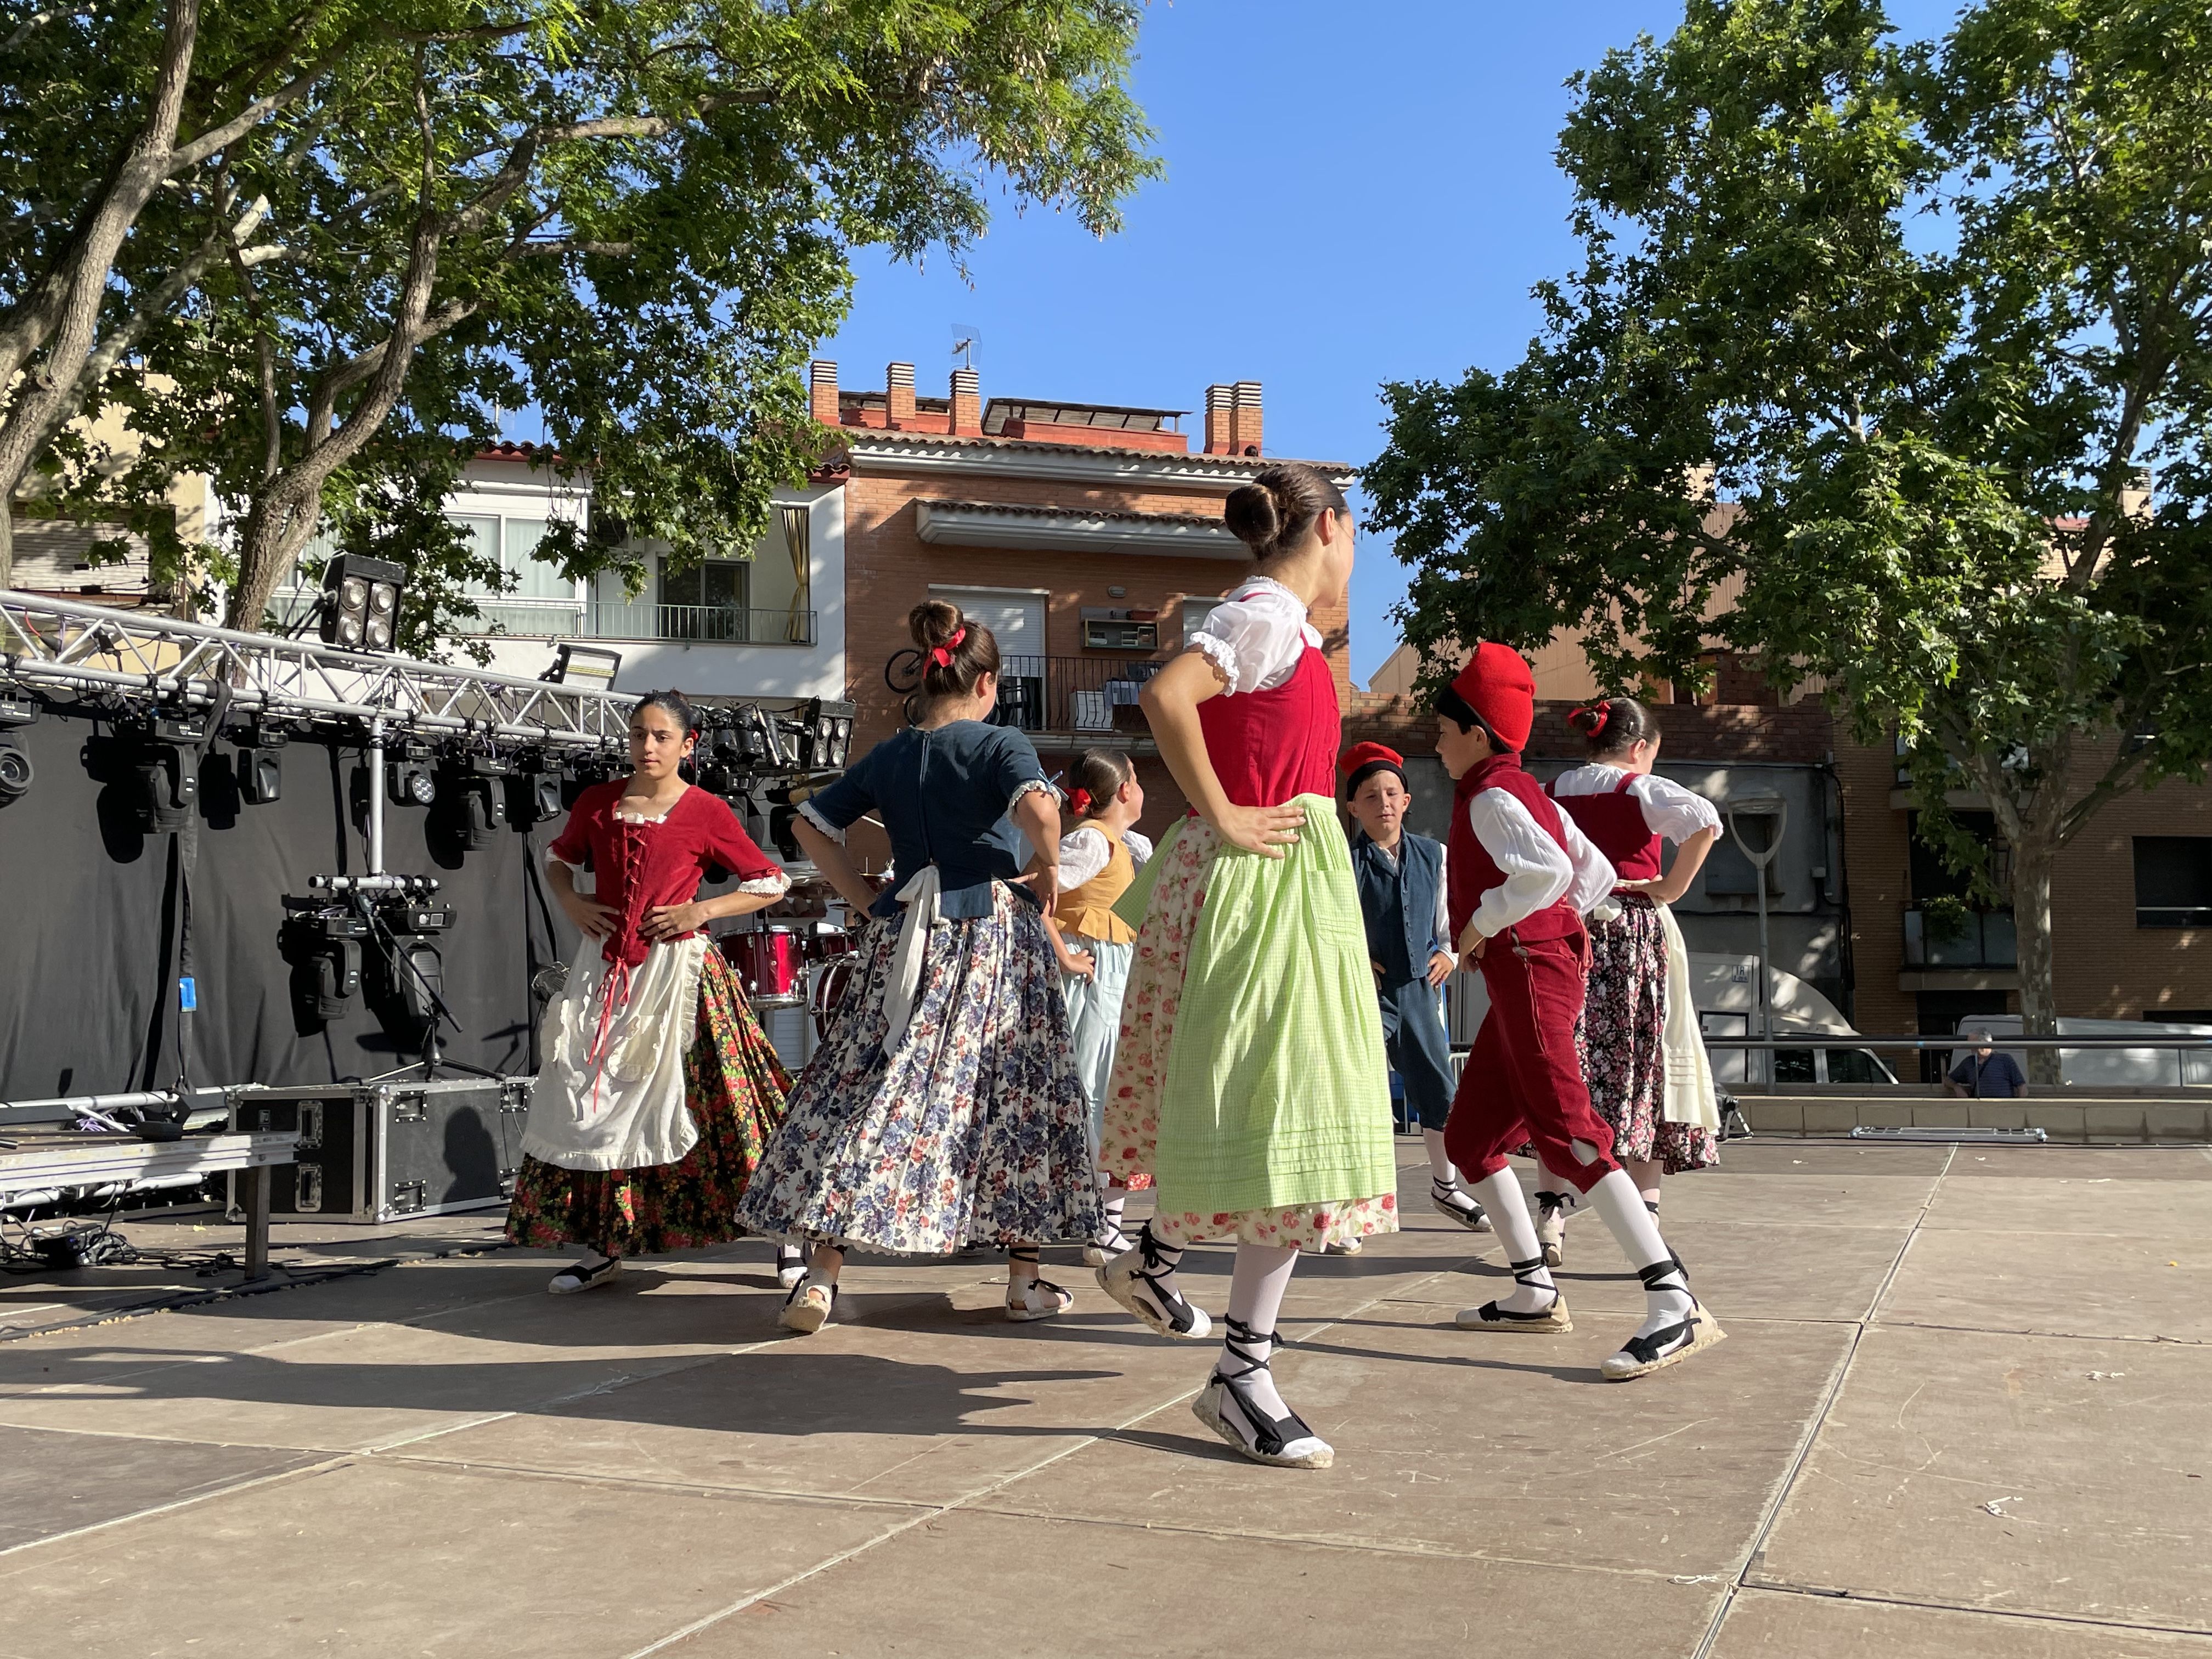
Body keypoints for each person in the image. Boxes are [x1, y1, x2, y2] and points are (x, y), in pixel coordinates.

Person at [1097, 462, 1400, 1470]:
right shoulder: (1266, 613)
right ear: (1329, 527)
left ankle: (1165, 1273)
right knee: (1283, 1111)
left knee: (1266, 1107)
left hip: (1270, 880)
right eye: (1355, 536)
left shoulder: (1278, 624)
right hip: (1263, 884)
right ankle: (1239, 1370)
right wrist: (1224, 811)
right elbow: (1165, 693)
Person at [735, 601, 1099, 1333]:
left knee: (871, 1085)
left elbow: (809, 823)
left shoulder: (892, 754)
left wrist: (865, 900)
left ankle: (820, 1277)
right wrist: (1051, 860)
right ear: (988, 681)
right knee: (1014, 1096)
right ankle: (1025, 1281)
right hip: (991, 934)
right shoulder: (1001, 744)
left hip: (902, 936)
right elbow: (1038, 813)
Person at [1435, 644, 1726, 1381]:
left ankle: (1675, 1302)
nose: (1435, 741)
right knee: (1471, 1139)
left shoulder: (1499, 795)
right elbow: (1591, 875)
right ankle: (1534, 1288)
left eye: (1443, 728)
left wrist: (1489, 923)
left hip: (1530, 973)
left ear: (1477, 733)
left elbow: (1558, 872)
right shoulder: (1517, 790)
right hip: (1530, 970)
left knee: (1572, 1135)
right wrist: (1552, 929)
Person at [508, 689, 799, 1294]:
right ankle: (605, 1242)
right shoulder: (597, 802)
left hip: (680, 975)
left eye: (662, 736)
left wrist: (703, 910)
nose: (647, 746)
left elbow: (771, 881)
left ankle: (788, 1235)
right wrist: (571, 901)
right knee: (593, 1097)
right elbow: (558, 860)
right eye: (639, 734)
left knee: (729, 1101)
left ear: (688, 745)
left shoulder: (706, 810)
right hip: (605, 969)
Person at [1539, 695, 1725, 1262]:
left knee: (1564, 1068)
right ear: (1640, 748)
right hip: (1632, 932)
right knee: (1643, 1068)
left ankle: (1549, 1216)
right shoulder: (1639, 789)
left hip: (1566, 932)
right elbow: (1705, 821)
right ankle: (1645, 1224)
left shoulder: (1551, 791)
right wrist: (1669, 888)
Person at [1341, 740, 1489, 1233]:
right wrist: (1355, 957)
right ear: (1352, 807)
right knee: (1358, 1095)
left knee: (1439, 1091)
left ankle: (1445, 1185)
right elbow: (1330, 924)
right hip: (1361, 993)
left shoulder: (1434, 855)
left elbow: (1449, 920)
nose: (1382, 803)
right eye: (1370, 796)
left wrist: (1449, 952)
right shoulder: (1344, 862)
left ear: (1406, 800)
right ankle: (1349, 1205)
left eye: (1391, 793)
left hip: (1420, 992)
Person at [1042, 748, 1155, 1266]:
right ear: (1124, 790)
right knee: (1092, 1090)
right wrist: (1064, 952)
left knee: (1112, 1091)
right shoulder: (1090, 840)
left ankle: (1104, 1219)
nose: (1141, 786)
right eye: (1135, 777)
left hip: (1116, 971)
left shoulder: (1129, 844)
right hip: (1094, 975)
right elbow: (1037, 889)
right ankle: (1097, 1222)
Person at [1947, 1032, 2028, 1098]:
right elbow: (1948, 1080)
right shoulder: (1969, 1062)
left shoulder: (2005, 1059)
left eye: (1973, 1044)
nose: (1971, 1049)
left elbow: (2022, 1086)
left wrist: (2019, 1108)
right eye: (1970, 1045)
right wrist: (1957, 1088)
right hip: (1979, 1109)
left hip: (2003, 1109)